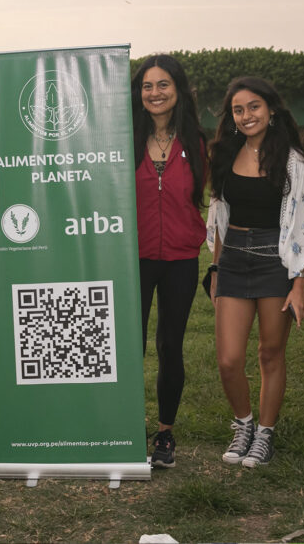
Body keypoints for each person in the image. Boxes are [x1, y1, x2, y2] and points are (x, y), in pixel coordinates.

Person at [207, 77, 304, 468]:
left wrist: (299, 282)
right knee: (229, 360)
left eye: (254, 106)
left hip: (277, 263)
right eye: (239, 109)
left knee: (270, 353)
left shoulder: (292, 161)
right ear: (232, 117)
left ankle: (264, 434)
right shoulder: (225, 155)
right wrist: (217, 267)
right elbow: (220, 217)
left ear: (271, 110)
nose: (247, 115)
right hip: (234, 261)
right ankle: (244, 424)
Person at [131, 54, 208, 469]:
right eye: (147, 85)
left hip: (181, 258)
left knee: (169, 345)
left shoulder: (196, 141)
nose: (155, 92)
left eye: (163, 84)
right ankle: (124, 429)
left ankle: (164, 434)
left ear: (177, 89)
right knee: (130, 346)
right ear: (138, 93)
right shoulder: (124, 138)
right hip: (134, 258)